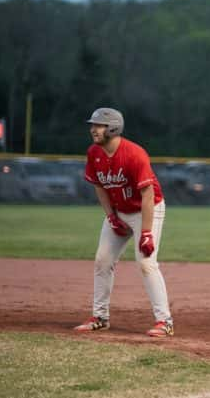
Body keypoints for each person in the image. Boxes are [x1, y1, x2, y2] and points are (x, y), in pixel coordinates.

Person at [74, 107, 174, 337]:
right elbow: (100, 186)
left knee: (146, 262)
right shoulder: (94, 153)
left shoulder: (134, 154)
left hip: (146, 210)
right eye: (93, 125)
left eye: (98, 125)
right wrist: (111, 216)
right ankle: (100, 317)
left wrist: (146, 233)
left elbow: (148, 195)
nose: (93, 129)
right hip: (119, 211)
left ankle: (165, 321)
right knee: (102, 259)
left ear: (113, 127)